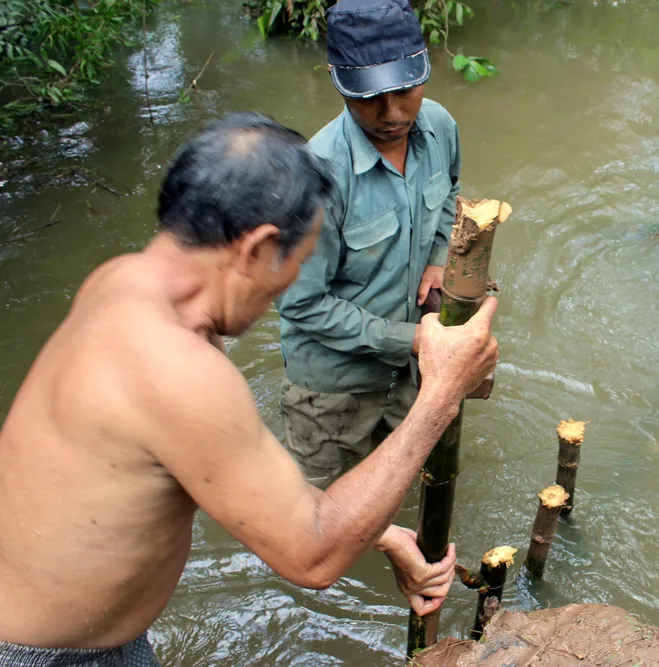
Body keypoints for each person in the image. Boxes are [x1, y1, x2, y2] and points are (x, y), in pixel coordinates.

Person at [0, 113, 498, 666]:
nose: (292, 283)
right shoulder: (176, 370)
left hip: (82, 631)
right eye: (301, 260)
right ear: (258, 248)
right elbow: (312, 560)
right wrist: (442, 391)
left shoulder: (124, 283)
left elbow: (229, 475)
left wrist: (380, 534)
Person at [276, 0, 463, 485]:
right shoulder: (314, 178)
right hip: (334, 390)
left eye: (406, 90)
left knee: (399, 483)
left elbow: (452, 191)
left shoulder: (440, 126)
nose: (392, 113)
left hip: (410, 371)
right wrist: (412, 339)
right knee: (316, 517)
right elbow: (302, 304)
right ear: (339, 81)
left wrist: (438, 258)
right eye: (369, 98)